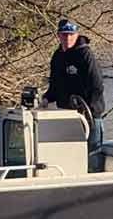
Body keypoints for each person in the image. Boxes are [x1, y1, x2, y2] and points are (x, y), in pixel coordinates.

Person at [43, 19, 105, 168]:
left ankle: (94, 178)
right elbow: (55, 85)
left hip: (89, 115)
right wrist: (47, 97)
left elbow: (97, 85)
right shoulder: (57, 56)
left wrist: (88, 109)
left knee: (92, 153)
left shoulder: (85, 54)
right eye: (64, 34)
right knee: (67, 152)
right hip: (66, 114)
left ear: (77, 34)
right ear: (58, 35)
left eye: (71, 34)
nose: (67, 38)